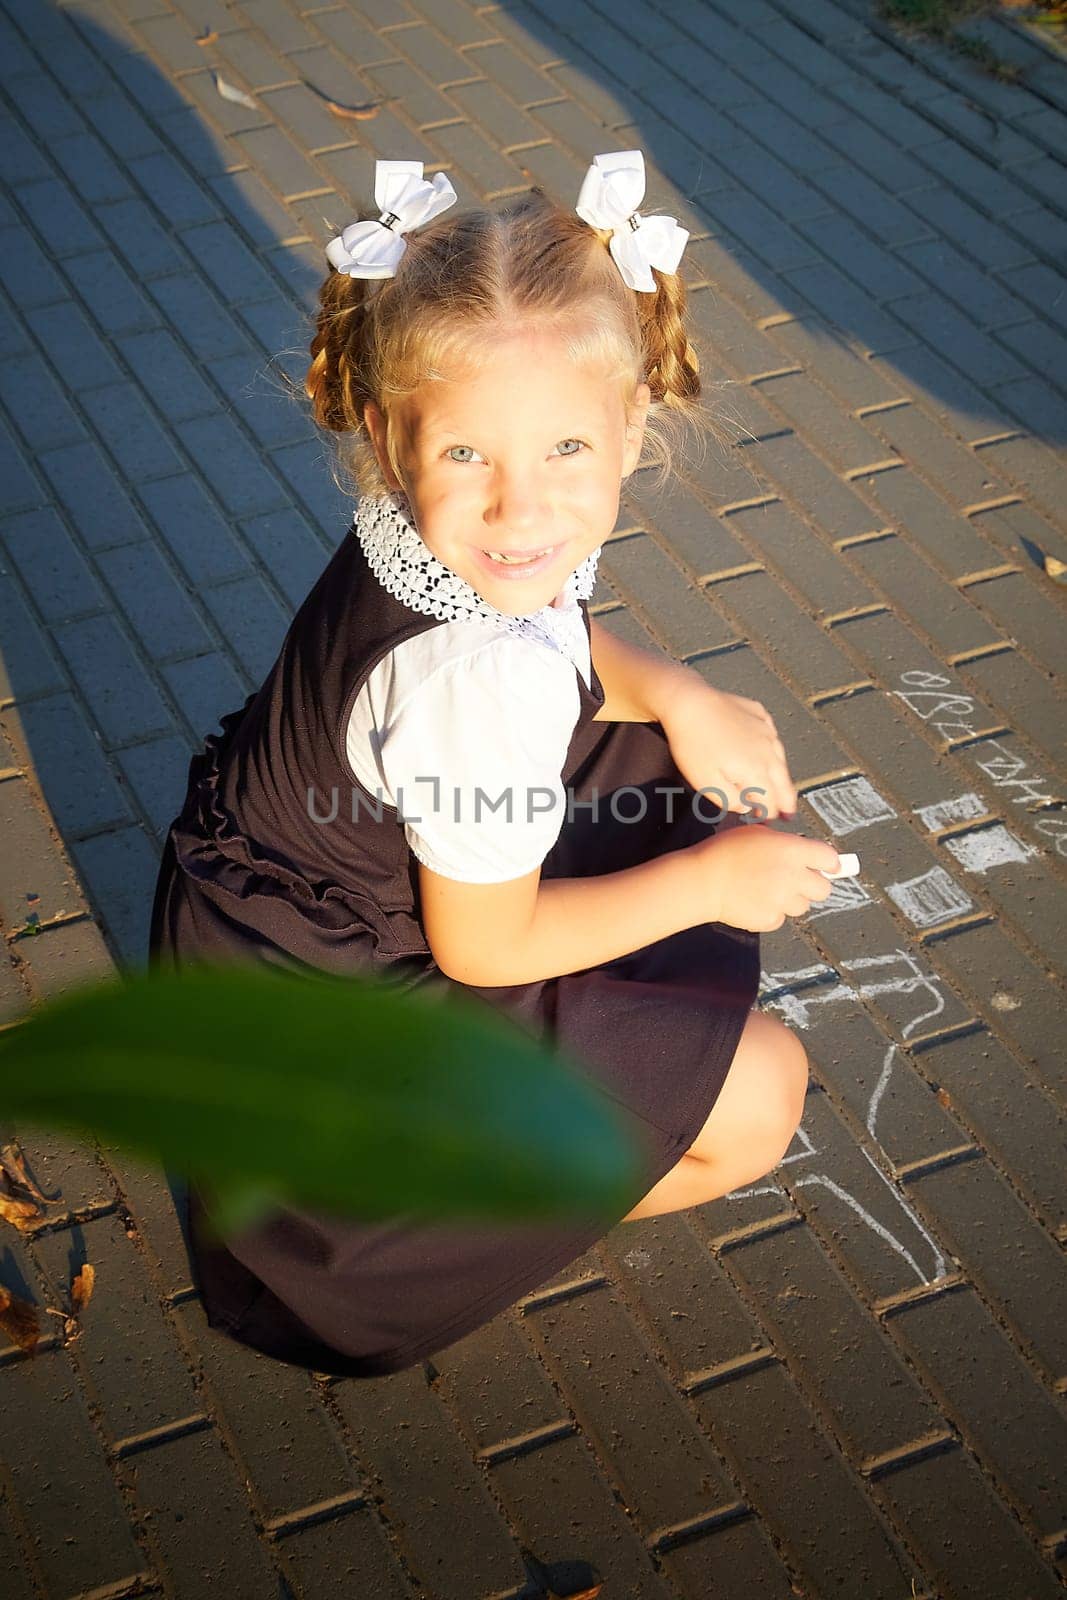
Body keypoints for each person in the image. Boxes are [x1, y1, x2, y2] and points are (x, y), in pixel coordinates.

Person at [149, 151, 842, 1379]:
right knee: (760, 1098)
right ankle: (434, 1238)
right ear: (386, 430)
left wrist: (678, 693)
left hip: (261, 923)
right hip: (346, 1027)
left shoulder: (424, 533)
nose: (522, 512)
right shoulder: (477, 680)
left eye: (566, 448)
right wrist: (713, 885)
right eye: (468, 456)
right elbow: (484, 947)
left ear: (629, 427)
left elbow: (552, 636)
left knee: (642, 748)